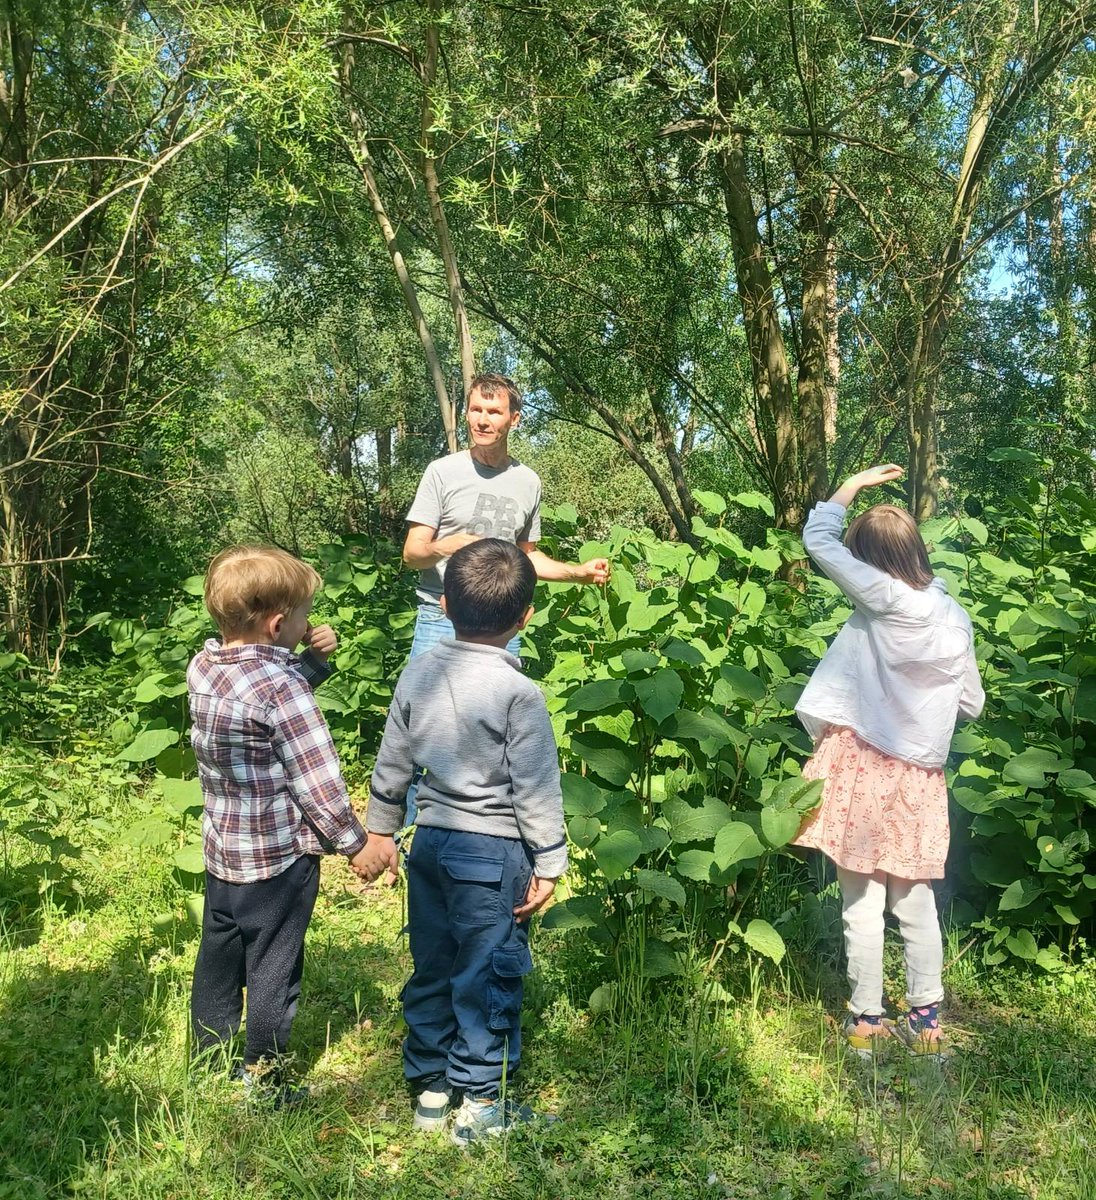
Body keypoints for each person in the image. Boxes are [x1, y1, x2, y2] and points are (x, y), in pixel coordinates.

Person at [355, 538, 568, 1144]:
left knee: (435, 962)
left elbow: (393, 757)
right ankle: (480, 1102)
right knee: (488, 970)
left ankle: (429, 1087)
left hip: (431, 846)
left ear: (444, 605)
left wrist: (381, 829)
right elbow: (535, 787)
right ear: (525, 617)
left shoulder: (419, 670)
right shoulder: (520, 695)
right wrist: (549, 862)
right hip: (494, 854)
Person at [793, 465, 985, 1058]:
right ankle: (926, 1020)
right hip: (918, 776)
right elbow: (972, 703)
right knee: (916, 899)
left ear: (870, 562)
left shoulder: (883, 595)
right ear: (918, 551)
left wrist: (849, 487)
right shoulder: (954, 617)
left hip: (863, 764)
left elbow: (817, 541)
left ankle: (867, 1020)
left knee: (863, 904)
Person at [188, 544, 374, 1104]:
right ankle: (262, 1077)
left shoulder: (204, 668)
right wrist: (354, 843)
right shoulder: (281, 687)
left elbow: (258, 707)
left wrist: (307, 660)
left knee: (218, 959)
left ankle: (208, 1059)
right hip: (278, 861)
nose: (306, 623)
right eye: (301, 616)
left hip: (225, 854)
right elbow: (314, 777)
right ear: (277, 623)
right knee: (273, 967)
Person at [402, 372, 610, 659]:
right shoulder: (442, 472)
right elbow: (412, 555)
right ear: (467, 414)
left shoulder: (528, 481)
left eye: (494, 412)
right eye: (476, 410)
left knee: (499, 704)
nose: (482, 421)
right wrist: (446, 546)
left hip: (503, 621)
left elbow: (528, 557)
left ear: (514, 419)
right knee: (427, 704)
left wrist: (578, 573)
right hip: (442, 615)